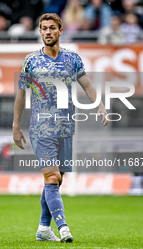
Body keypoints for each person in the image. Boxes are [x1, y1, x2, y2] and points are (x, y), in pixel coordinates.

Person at [12, 13, 109, 243]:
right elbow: (21, 94)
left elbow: (87, 85)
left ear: (60, 31)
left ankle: (44, 228)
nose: (47, 32)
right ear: (39, 31)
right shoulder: (31, 61)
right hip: (41, 129)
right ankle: (64, 228)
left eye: (52, 28)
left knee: (56, 180)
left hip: (66, 128)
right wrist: (16, 125)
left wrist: (100, 106)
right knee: (53, 177)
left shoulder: (72, 59)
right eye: (44, 28)